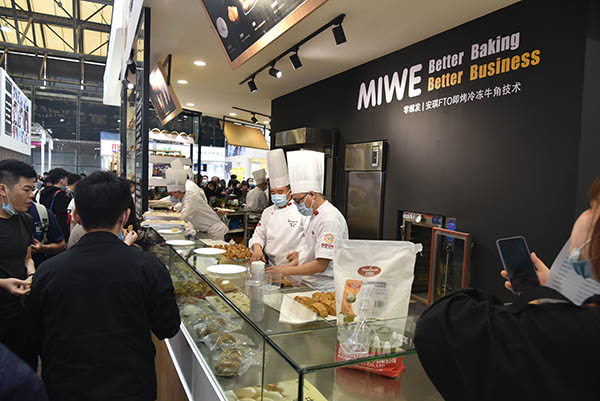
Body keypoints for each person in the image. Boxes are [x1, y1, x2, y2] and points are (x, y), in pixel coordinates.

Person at [414, 177, 600, 401]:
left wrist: (537, 298)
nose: (586, 215)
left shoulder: (565, 332)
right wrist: (553, 291)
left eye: (593, 208)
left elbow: (437, 323)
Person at [27, 171, 180, 401]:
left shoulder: (48, 272)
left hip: (66, 387)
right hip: (132, 386)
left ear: (76, 216)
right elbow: (167, 327)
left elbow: (34, 336)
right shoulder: (148, 267)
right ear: (125, 216)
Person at [266, 150, 348, 291]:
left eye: (298, 200)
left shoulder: (330, 219)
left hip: (325, 288)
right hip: (309, 283)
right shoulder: (314, 215)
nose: (297, 205)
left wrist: (284, 271)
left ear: (312, 194)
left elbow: (320, 265)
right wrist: (283, 268)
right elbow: (309, 251)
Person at [0, 159, 37, 368]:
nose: (32, 195)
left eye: (33, 189)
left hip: (20, 315)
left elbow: (27, 257)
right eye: (27, 189)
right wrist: (2, 283)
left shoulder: (25, 220)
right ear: (3, 189)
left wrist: (31, 274)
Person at [250, 149, 307, 266]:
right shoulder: (268, 212)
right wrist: (257, 248)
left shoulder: (302, 211)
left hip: (296, 266)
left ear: (290, 192)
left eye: (280, 192)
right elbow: (259, 234)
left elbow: (310, 242)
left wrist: (301, 254)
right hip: (272, 265)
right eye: (273, 192)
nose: (276, 195)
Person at [167, 167, 229, 240]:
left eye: (172, 195)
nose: (173, 197)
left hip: (215, 231)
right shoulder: (186, 197)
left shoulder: (190, 197)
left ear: (178, 192)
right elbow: (182, 206)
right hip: (206, 231)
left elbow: (184, 217)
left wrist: (168, 223)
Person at [27, 202, 65, 266]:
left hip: (38, 266)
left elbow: (61, 244)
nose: (31, 196)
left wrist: (43, 248)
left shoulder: (41, 212)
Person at [39, 168, 70, 241]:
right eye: (66, 179)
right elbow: (61, 215)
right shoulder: (60, 194)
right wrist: (66, 235)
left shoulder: (43, 192)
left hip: (45, 223)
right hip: (57, 227)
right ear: (61, 181)